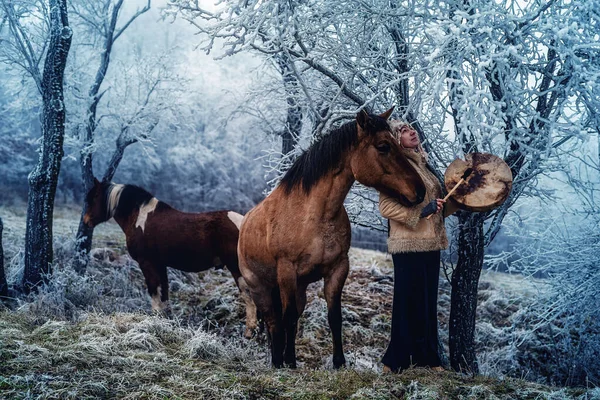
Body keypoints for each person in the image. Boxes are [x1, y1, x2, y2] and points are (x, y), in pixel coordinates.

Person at [379, 120, 457, 373]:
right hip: (407, 244)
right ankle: (394, 362)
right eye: (403, 131)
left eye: (411, 129)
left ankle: (428, 358)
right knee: (406, 302)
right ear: (395, 140)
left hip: (430, 243)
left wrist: (457, 200)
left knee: (427, 303)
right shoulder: (396, 167)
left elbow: (437, 208)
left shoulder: (424, 167)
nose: (412, 132)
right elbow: (386, 208)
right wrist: (420, 212)